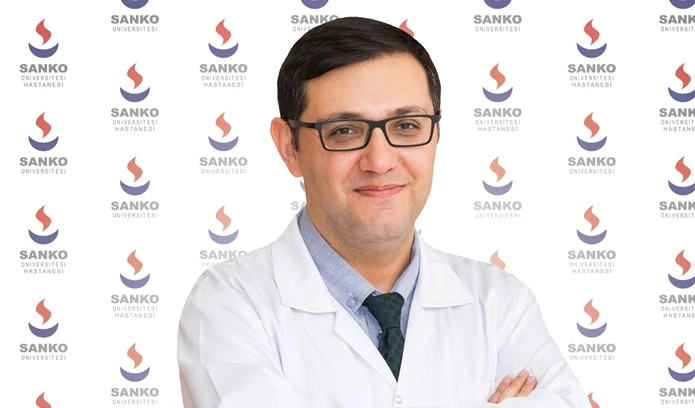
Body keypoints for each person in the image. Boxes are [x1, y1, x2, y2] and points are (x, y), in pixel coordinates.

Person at [177, 16, 590, 408]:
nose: (379, 161)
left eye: (406, 126)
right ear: (290, 147)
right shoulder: (228, 305)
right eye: (344, 131)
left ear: (436, 134)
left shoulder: (500, 301)